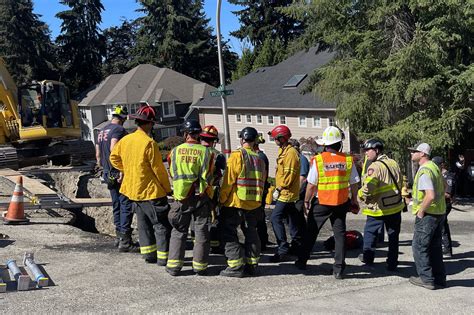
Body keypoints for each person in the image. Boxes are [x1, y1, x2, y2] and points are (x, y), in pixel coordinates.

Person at [110, 105, 173, 265]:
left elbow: (114, 158)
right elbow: (159, 170)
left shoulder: (126, 140)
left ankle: (149, 255)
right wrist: (167, 188)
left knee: (143, 225)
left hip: (132, 191)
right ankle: (163, 258)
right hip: (151, 192)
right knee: (160, 226)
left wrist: (127, 169)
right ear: (149, 123)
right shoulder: (149, 143)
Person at [296, 126, 360, 279]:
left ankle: (302, 261)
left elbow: (311, 185)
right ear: (339, 144)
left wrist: (306, 201)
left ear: (325, 145)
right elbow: (354, 183)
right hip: (341, 203)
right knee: (339, 235)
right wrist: (354, 200)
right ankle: (338, 269)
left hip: (322, 202)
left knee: (311, 233)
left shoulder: (319, 160)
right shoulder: (347, 160)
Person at [166, 120, 215, 276]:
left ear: (185, 134)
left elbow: (172, 173)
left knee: (178, 231)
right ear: (198, 134)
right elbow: (209, 175)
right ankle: (200, 267)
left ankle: (174, 266)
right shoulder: (206, 152)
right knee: (201, 232)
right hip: (200, 196)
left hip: (181, 196)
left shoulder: (174, 151)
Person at [219, 127, 267, 277]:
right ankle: (252, 265)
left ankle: (235, 266)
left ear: (241, 139)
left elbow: (228, 181)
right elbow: (263, 182)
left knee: (228, 233)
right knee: (252, 233)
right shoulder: (259, 159)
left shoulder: (237, 156)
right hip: (253, 204)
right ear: (255, 141)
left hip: (236, 203)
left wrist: (222, 199)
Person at [358, 139, 404, 271]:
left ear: (376, 150)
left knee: (370, 234)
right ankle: (392, 263)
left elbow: (368, 188)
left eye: (368, 150)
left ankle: (368, 259)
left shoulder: (375, 167)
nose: (366, 153)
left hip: (379, 208)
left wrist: (360, 195)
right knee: (393, 236)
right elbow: (401, 181)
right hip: (395, 206)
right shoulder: (393, 162)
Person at [95, 105, 136, 252]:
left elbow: (98, 155)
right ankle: (125, 240)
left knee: (116, 204)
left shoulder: (101, 131)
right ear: (123, 118)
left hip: (107, 172)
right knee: (125, 204)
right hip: (118, 172)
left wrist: (103, 169)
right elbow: (114, 149)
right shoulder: (118, 130)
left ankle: (118, 237)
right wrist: (121, 169)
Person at [408, 143, 447, 290]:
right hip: (439, 213)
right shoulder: (434, 167)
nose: (412, 154)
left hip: (428, 215)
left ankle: (426, 279)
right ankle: (439, 279)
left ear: (422, 154)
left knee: (419, 246)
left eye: (414, 151)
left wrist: (421, 211)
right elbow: (444, 186)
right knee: (435, 248)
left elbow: (429, 195)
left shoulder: (424, 170)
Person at [268, 125, 302, 262]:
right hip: (287, 193)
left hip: (286, 194)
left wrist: (279, 189)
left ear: (282, 138)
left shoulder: (291, 153)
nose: (274, 140)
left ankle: (283, 249)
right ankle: (296, 247)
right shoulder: (284, 151)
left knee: (275, 218)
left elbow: (289, 175)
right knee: (292, 221)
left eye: (276, 138)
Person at [200, 125, 226, 254]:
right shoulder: (218, 156)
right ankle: (215, 245)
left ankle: (198, 244)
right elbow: (224, 174)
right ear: (213, 141)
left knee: (198, 218)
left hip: (195, 191)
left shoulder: (194, 151)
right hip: (213, 191)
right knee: (214, 217)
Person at [432, 156, 456, 258]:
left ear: (441, 165)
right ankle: (444, 249)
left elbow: (448, 194)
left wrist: (433, 194)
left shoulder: (448, 176)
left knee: (442, 227)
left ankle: (446, 249)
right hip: (440, 204)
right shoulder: (438, 175)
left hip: (445, 204)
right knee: (441, 226)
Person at [254, 135, 270, 251]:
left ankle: (262, 241)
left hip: (259, 192)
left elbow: (262, 176)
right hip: (259, 191)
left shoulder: (260, 157)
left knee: (259, 217)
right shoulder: (260, 156)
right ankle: (262, 240)